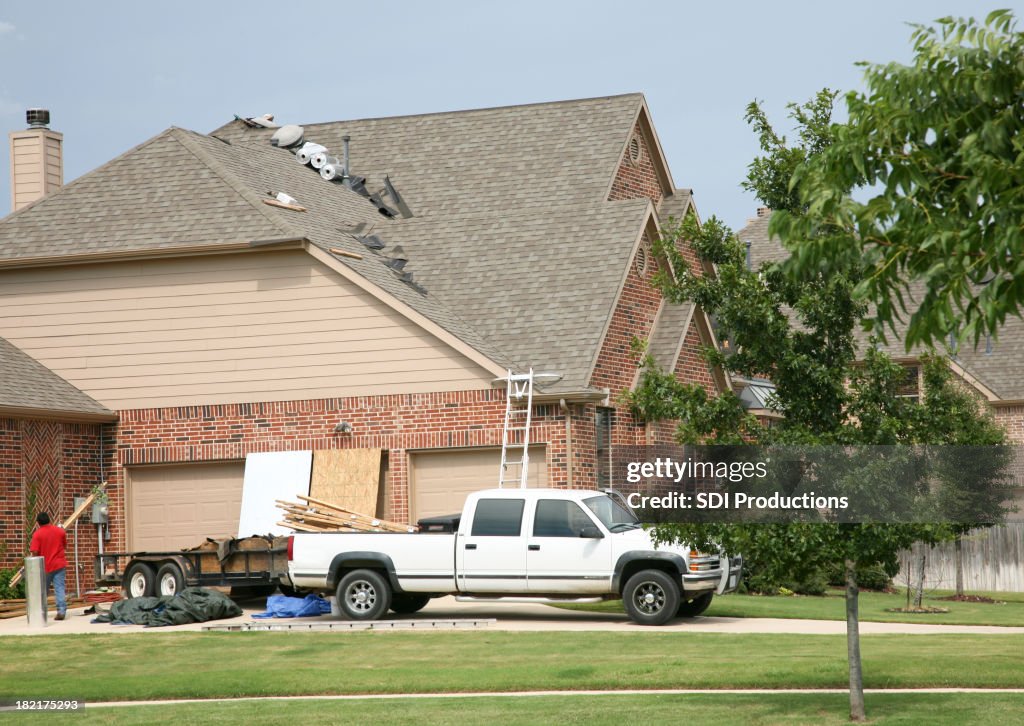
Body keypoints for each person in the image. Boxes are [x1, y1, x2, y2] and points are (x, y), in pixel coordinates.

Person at [29, 512, 68, 621]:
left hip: (45, 566)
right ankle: (61, 610)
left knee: (42, 590)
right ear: (49, 520)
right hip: (59, 564)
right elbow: (64, 545)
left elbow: (34, 551)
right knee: (59, 588)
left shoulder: (37, 534)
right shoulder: (60, 531)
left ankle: (40, 611)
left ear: (38, 523)